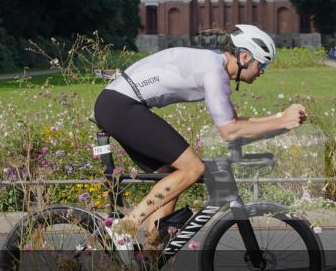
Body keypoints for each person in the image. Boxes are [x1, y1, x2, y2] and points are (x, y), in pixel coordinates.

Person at [95, 24, 307, 252]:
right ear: (245, 56)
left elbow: (236, 124)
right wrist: (281, 121)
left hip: (118, 104)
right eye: (262, 64)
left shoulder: (215, 67)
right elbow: (230, 132)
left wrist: (280, 120)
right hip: (121, 106)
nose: (263, 71)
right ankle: (123, 228)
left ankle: (148, 260)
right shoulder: (214, 72)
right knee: (193, 168)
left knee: (171, 176)